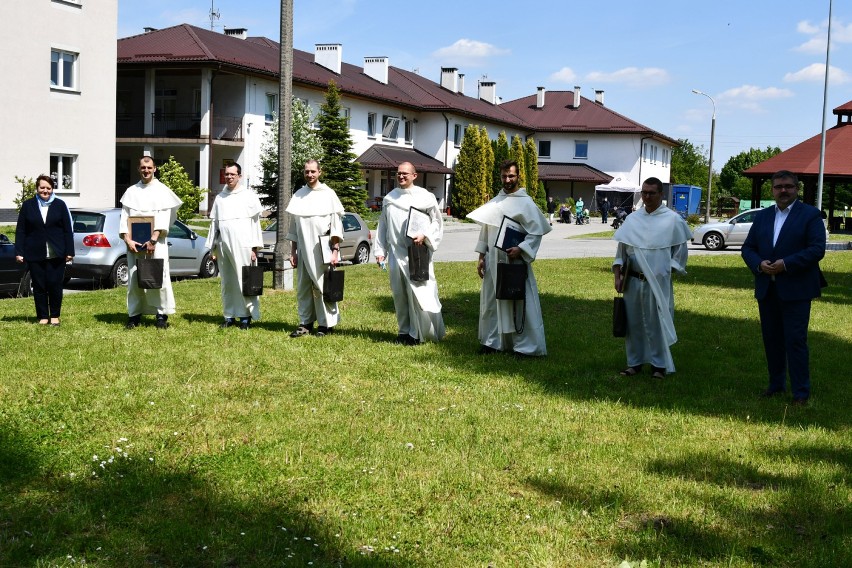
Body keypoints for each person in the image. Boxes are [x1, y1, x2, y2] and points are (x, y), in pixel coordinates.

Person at [741, 170, 826, 405]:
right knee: (772, 339)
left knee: (795, 340)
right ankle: (776, 385)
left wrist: (785, 264)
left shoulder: (810, 215)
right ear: (772, 190)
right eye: (778, 187)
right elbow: (748, 248)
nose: (783, 190)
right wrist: (759, 264)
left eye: (788, 186)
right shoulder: (763, 216)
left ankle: (801, 392)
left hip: (797, 289)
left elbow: (817, 249)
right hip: (767, 288)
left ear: (796, 188)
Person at [469, 160, 551, 356]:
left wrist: (521, 249)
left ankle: (524, 346)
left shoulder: (526, 202)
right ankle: (492, 342)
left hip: (514, 260)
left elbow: (535, 233)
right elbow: (485, 229)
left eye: (511, 176)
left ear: (518, 176)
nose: (507, 180)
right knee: (491, 302)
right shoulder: (494, 202)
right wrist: (481, 256)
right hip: (493, 261)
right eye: (504, 176)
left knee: (519, 302)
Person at [612, 177, 691, 379]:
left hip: (657, 281)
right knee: (634, 322)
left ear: (660, 194)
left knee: (657, 321)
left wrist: (667, 270)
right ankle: (634, 362)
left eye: (651, 193)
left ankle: (659, 365)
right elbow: (622, 250)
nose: (646, 197)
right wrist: (618, 274)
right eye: (644, 192)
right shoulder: (632, 219)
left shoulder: (672, 220)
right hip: (633, 280)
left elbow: (680, 251)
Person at [374, 162, 445, 345]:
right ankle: (404, 331)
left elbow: (437, 222)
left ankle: (420, 333)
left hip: (417, 253)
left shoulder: (425, 197)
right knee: (399, 294)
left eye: (405, 173)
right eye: (399, 173)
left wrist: (426, 235)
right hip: (396, 254)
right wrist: (380, 250)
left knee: (419, 293)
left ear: (415, 175)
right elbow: (383, 226)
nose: (401, 176)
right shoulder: (390, 198)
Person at [119, 156, 183, 329]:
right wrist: (127, 240)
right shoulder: (131, 191)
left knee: (158, 278)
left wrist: (153, 239)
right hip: (134, 245)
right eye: (142, 167)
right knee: (134, 280)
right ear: (138, 169)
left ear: (154, 168)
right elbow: (124, 218)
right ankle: (134, 315)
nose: (145, 170)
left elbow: (163, 217)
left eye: (149, 167)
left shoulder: (162, 191)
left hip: (156, 243)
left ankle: (161, 315)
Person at [285, 159, 344, 338]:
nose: (309, 175)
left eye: (313, 171)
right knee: (303, 287)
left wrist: (335, 252)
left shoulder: (329, 194)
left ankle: (326, 324)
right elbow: (294, 229)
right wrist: (293, 252)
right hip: (303, 250)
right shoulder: (299, 195)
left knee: (322, 286)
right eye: (307, 171)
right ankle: (305, 323)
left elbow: (335, 227)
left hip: (322, 250)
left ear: (320, 172)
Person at [208, 163, 264, 329]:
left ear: (239, 175)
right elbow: (215, 225)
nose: (229, 177)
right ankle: (229, 315)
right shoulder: (220, 198)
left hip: (244, 246)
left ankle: (245, 316)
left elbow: (255, 224)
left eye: (233, 174)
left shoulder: (249, 196)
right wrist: (213, 248)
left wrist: (254, 247)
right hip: (224, 246)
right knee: (228, 282)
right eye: (227, 174)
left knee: (244, 279)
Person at [15, 175, 74, 326]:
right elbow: (21, 230)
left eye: (48, 188)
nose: (45, 191)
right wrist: (19, 251)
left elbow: (68, 230)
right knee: (39, 285)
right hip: (35, 252)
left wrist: (70, 251)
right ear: (37, 188)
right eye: (42, 187)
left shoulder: (60, 205)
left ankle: (54, 316)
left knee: (55, 284)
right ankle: (42, 316)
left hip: (57, 253)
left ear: (52, 189)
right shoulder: (28, 205)